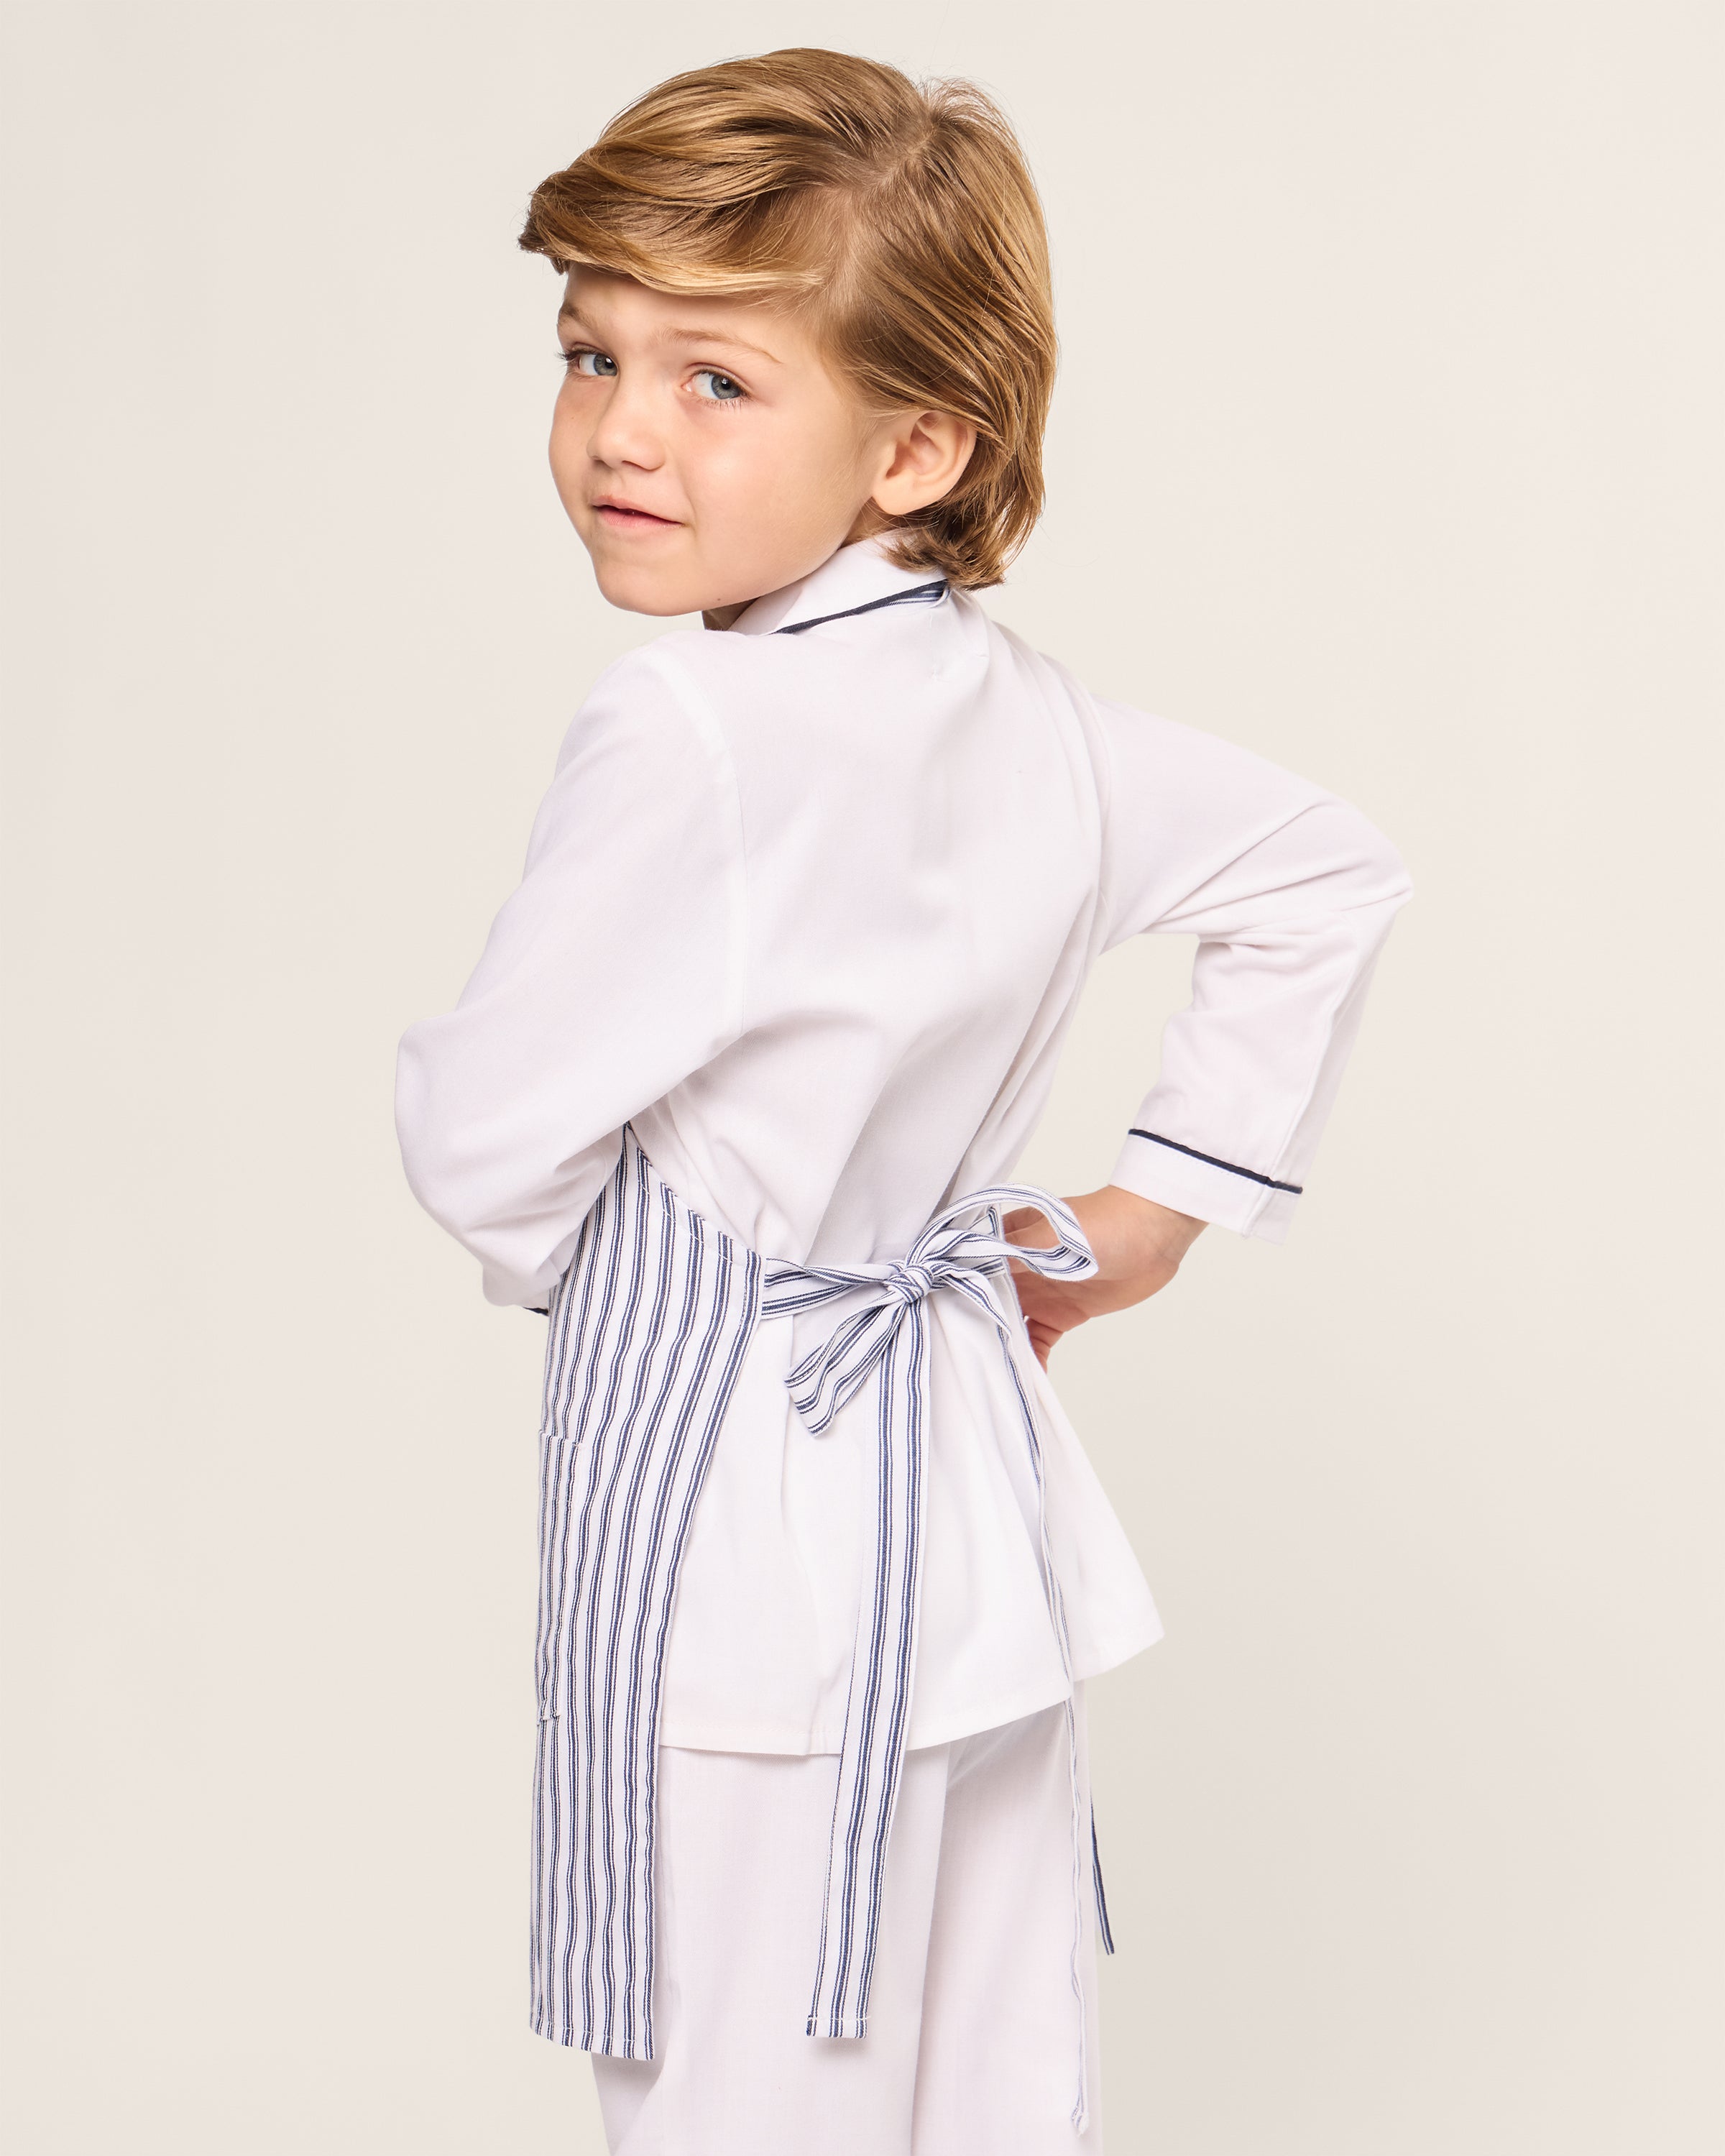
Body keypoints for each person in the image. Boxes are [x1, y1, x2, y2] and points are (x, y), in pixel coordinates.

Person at [394, 47, 1412, 2155]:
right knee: (990, 2091)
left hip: (743, 1558)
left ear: (919, 445)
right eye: (591, 354)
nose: (617, 433)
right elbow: (1327, 870)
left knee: (737, 2100)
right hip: (974, 1530)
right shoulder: (1036, 726)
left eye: (716, 382)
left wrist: (659, 1261)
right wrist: (1148, 1218)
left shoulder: (691, 726)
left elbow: (481, 1136)